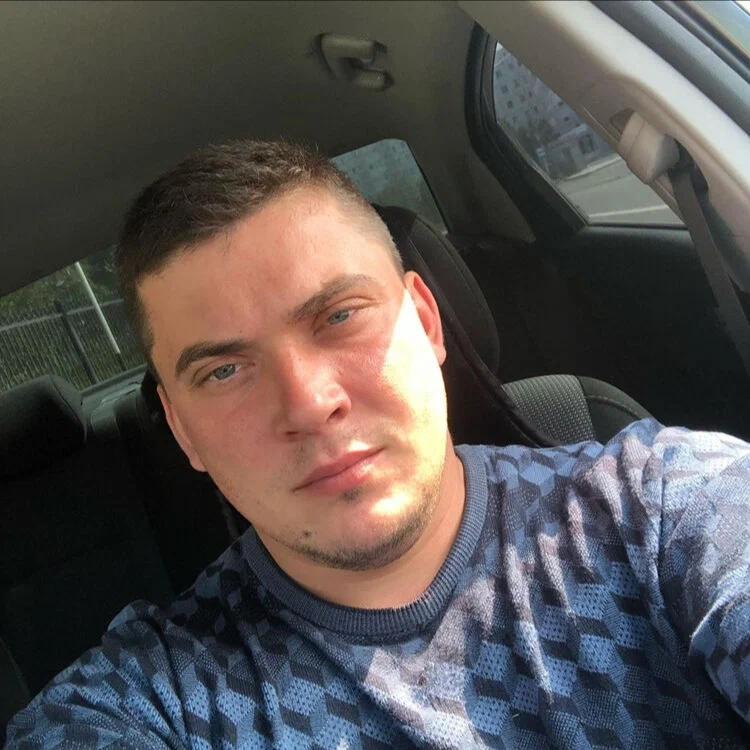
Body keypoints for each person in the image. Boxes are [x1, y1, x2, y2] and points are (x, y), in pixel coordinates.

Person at [6, 139, 749, 749]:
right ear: (181, 430)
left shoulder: (656, 506)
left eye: (338, 316)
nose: (308, 404)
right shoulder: (152, 701)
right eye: (224, 370)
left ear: (426, 322)